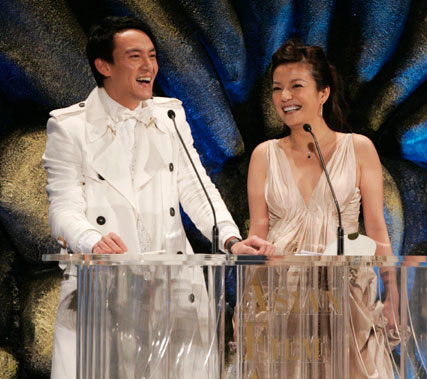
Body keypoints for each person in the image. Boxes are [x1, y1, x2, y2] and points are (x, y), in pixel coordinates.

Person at [43, 16, 273, 379]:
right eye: (135, 56)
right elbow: (63, 208)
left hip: (174, 290)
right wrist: (92, 240)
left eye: (152, 55)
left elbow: (196, 189)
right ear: (104, 65)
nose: (149, 65)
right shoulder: (70, 128)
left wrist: (230, 239)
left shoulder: (170, 115)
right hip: (108, 290)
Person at [246, 39, 399, 378]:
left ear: (323, 94)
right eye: (277, 88)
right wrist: (249, 300)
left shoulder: (358, 149)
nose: (285, 97)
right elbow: (258, 231)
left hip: (346, 294)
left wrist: (393, 295)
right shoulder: (263, 155)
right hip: (281, 295)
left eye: (296, 86)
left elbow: (376, 230)